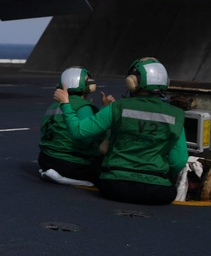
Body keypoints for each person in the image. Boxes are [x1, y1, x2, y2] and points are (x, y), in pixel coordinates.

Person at [53, 57, 187, 205]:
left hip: (114, 186)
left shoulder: (117, 107)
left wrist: (65, 103)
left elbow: (78, 131)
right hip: (155, 191)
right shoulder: (177, 114)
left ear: (132, 82)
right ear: (166, 83)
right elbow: (178, 160)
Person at [39, 66, 111, 186]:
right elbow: (90, 137)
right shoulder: (84, 107)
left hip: (45, 159)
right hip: (70, 164)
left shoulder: (55, 104)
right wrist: (105, 110)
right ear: (86, 86)